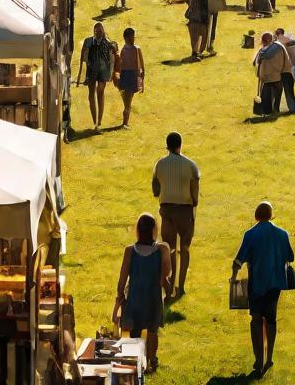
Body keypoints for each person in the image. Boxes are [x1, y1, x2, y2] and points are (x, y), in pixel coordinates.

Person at [230, 201, 295, 379]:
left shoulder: (250, 234)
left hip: (257, 283)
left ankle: (258, 359)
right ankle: (269, 357)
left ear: (256, 215)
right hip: (275, 283)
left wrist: (234, 278)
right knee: (271, 319)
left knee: (256, 319)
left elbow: (238, 260)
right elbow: (291, 257)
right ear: (271, 215)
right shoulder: (282, 234)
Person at [113, 213, 171, 374]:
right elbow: (166, 275)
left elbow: (122, 277)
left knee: (134, 332)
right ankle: (152, 360)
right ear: (154, 230)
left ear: (137, 230)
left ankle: (135, 362)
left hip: (135, 299)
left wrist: (119, 297)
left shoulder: (130, 251)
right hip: (153, 299)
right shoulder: (162, 249)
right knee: (152, 332)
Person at [153, 132, 200, 298]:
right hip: (184, 209)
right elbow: (195, 187)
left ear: (167, 146)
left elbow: (155, 189)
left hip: (167, 209)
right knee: (185, 247)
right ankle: (181, 286)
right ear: (180, 144)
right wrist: (194, 201)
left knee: (170, 248)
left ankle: (170, 285)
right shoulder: (190, 165)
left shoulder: (160, 164)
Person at [76, 22, 116, 130]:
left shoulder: (107, 42)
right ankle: (95, 120)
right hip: (91, 70)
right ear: (94, 31)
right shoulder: (89, 41)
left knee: (100, 92)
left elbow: (113, 56)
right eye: (97, 31)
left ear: (103, 31)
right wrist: (81, 75)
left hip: (103, 71)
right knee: (91, 95)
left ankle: (99, 121)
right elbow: (83, 58)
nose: (99, 33)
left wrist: (111, 73)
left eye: (100, 31)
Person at [254, 32, 291, 116]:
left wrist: (259, 74)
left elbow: (258, 63)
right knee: (275, 94)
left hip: (269, 76)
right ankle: (274, 110)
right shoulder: (276, 47)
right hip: (275, 75)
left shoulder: (264, 50)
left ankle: (268, 111)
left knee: (267, 95)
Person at [117, 27, 145, 128]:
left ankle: (125, 123)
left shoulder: (137, 49)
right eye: (130, 37)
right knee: (127, 102)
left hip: (133, 76)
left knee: (128, 101)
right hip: (126, 76)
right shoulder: (123, 50)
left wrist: (142, 82)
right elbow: (120, 65)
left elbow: (141, 66)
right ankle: (125, 123)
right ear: (126, 38)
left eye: (133, 37)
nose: (132, 39)